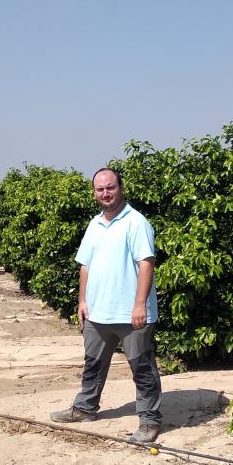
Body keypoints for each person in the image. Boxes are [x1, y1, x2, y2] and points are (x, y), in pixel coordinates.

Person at [50, 167, 163, 443]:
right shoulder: (94, 224)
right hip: (98, 313)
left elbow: (146, 264)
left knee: (142, 367)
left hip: (131, 314)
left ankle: (149, 421)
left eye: (110, 187)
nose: (105, 193)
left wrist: (139, 305)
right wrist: (82, 300)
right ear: (94, 193)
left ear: (120, 187)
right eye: (100, 189)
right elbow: (85, 266)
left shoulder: (136, 222)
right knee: (93, 364)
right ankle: (85, 408)